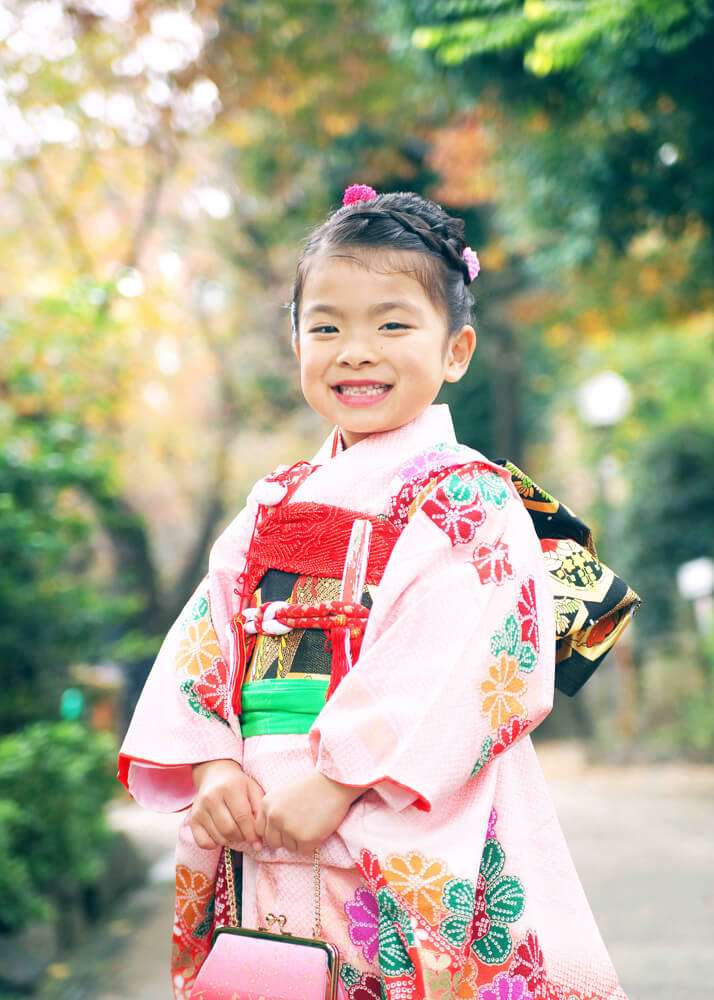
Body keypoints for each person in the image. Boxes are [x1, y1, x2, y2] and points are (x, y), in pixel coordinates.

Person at [119, 185, 640, 1000]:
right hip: (258, 810)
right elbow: (207, 639)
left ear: (455, 350)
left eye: (392, 324)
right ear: (295, 342)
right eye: (325, 326)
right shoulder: (273, 499)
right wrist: (216, 766)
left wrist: (338, 779)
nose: (355, 350)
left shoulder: (469, 499)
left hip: (391, 809)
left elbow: (460, 666)